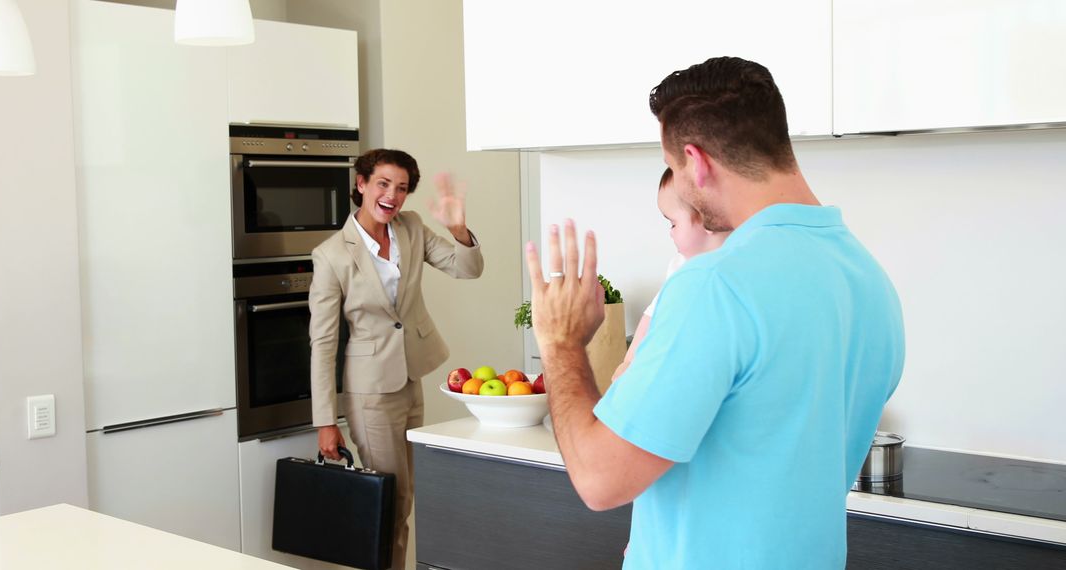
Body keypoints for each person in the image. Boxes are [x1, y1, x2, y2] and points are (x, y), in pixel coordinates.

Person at [525, 57, 905, 569]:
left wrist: (560, 343)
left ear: (695, 161)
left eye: (676, 171)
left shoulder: (714, 285)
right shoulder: (868, 279)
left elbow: (599, 479)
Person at [308, 148, 483, 570]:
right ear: (361, 184)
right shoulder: (332, 254)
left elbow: (468, 269)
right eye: (383, 184)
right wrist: (326, 421)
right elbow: (323, 341)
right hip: (369, 390)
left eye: (401, 188)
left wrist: (458, 228)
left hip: (409, 377)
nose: (392, 195)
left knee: (402, 498)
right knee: (389, 500)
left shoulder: (411, 229)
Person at [612, 167, 728, 380]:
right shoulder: (679, 266)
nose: (670, 232)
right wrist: (629, 362)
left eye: (673, 223)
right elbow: (652, 315)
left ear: (707, 219)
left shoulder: (735, 267)